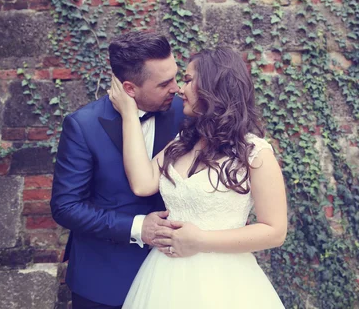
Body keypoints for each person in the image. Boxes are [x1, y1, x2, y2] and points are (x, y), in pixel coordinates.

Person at [107, 47, 287, 308]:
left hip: (225, 283)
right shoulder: (183, 142)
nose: (180, 88)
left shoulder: (256, 153)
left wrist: (200, 240)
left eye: (189, 80)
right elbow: (142, 183)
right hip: (163, 278)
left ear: (214, 88)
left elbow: (275, 231)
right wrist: (129, 113)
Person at [50, 31, 186, 308]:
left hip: (177, 277)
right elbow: (66, 206)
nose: (177, 87)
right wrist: (138, 227)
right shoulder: (83, 126)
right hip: (104, 280)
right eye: (164, 83)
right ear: (130, 89)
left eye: (175, 76)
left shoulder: (187, 113)